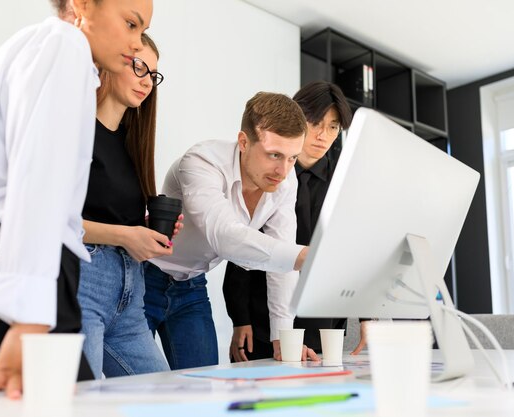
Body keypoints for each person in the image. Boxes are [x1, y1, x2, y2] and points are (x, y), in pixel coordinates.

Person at [0, 0, 153, 399]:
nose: (136, 44)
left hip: (13, 263)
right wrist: (28, 317)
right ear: (83, 5)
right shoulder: (65, 46)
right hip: (25, 271)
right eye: (130, 24)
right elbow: (38, 180)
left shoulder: (35, 45)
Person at [144, 92, 318, 370]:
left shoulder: (285, 181)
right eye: (274, 155)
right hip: (143, 279)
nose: (283, 170)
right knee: (142, 385)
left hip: (191, 287)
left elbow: (281, 265)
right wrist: (305, 256)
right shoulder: (202, 161)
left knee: (202, 388)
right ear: (243, 142)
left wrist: (283, 338)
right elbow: (225, 237)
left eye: (292, 158)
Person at [223, 81, 364, 362]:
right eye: (315, 122)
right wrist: (240, 317)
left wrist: (367, 316)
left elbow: (355, 249)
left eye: (334, 127)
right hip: (262, 316)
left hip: (322, 319)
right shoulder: (269, 170)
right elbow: (240, 242)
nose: (324, 135)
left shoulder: (346, 182)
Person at [77, 33, 179, 379]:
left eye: (152, 74)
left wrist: (145, 231)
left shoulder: (132, 143)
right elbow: (49, 220)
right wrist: (125, 235)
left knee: (164, 398)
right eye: (139, 67)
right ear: (108, 63)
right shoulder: (75, 131)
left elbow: (111, 215)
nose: (146, 81)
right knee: (83, 404)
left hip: (131, 295)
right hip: (83, 287)